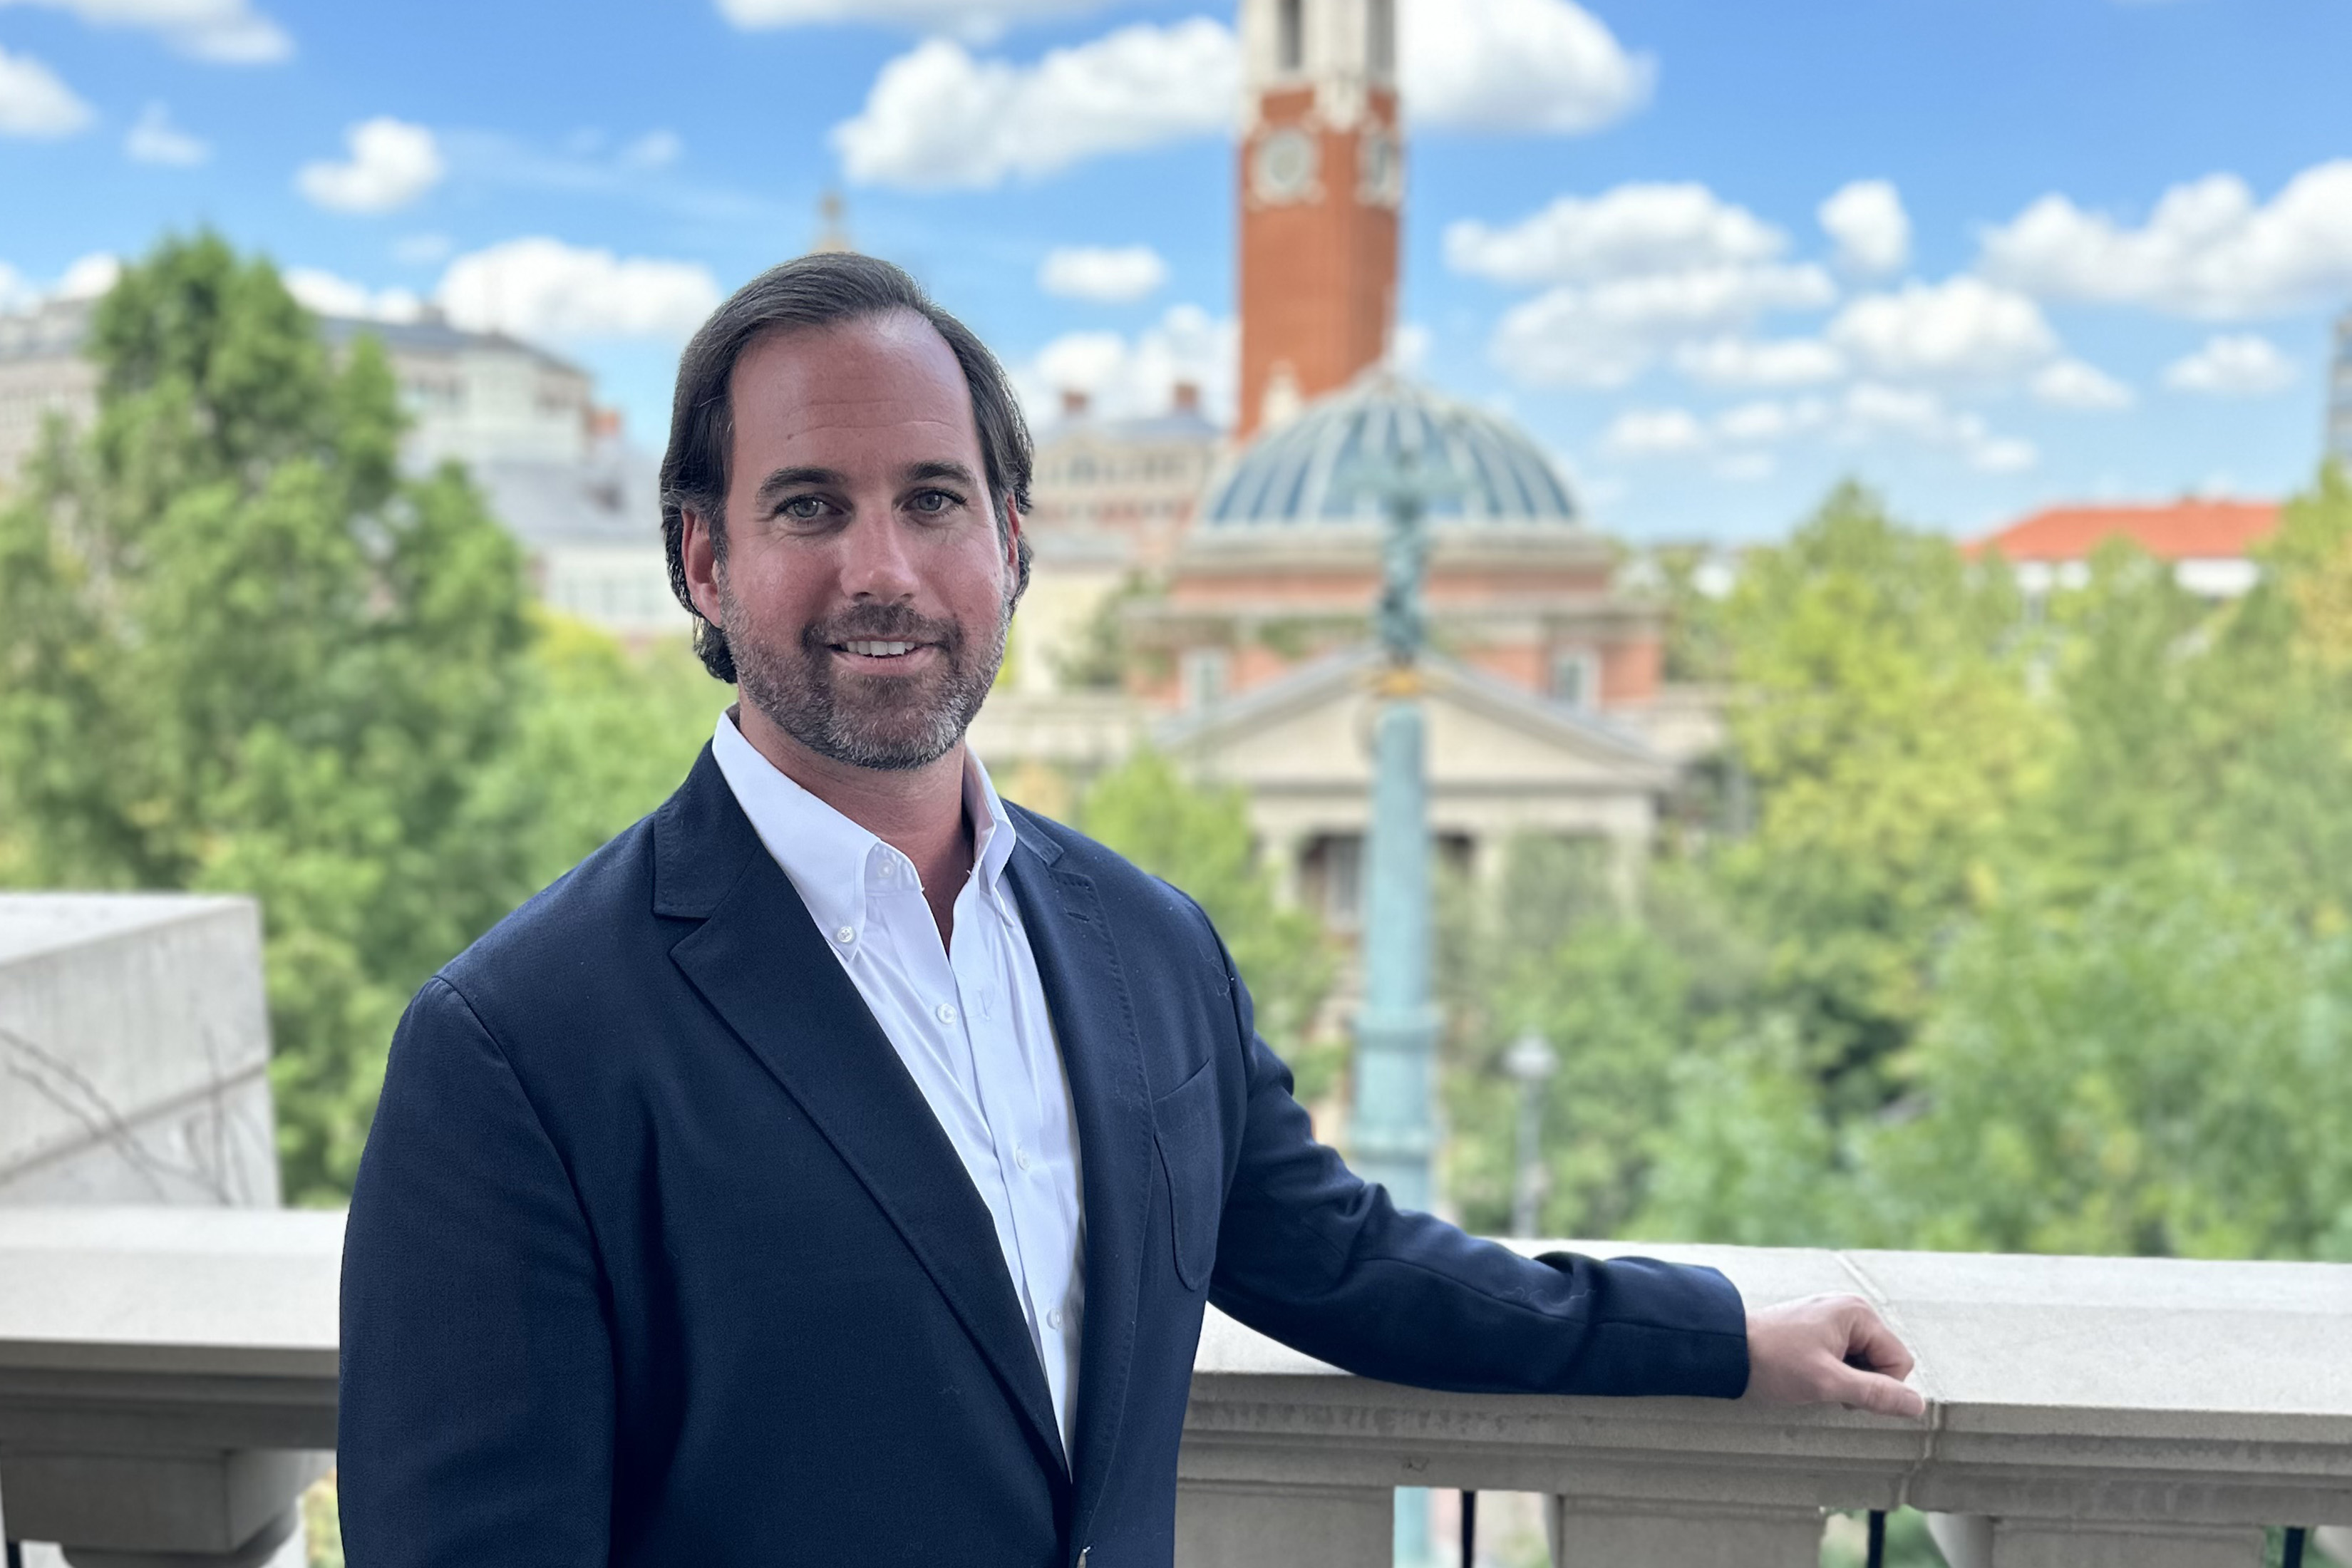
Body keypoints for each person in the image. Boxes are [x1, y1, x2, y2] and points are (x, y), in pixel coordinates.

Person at [337, 253, 1922, 1568]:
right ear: (702, 557)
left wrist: (1713, 1330)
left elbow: (1352, 1260)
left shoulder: (1145, 944)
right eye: (809, 506)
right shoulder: (517, 1048)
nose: (882, 567)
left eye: (936, 500)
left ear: (1014, 543)